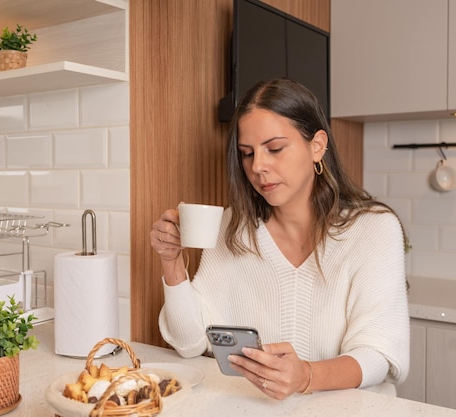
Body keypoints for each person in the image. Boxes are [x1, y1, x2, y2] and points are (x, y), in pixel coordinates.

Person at [150, 78, 410, 400]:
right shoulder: (232, 228)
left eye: (274, 149)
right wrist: (171, 261)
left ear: (317, 145)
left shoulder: (373, 229)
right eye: (247, 154)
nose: (258, 166)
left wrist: (305, 376)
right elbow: (189, 343)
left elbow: (378, 356)